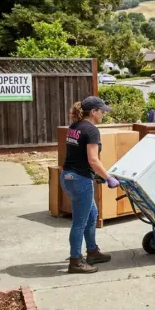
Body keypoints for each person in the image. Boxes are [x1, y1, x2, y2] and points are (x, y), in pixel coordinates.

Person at [61, 96, 116, 274]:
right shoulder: (91, 130)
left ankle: (92, 252)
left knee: (92, 214)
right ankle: (75, 261)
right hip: (80, 180)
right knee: (79, 222)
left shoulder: (74, 127)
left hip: (67, 176)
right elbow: (93, 159)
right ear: (93, 112)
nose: (103, 114)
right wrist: (108, 177)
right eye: (102, 111)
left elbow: (78, 155)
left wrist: (96, 174)